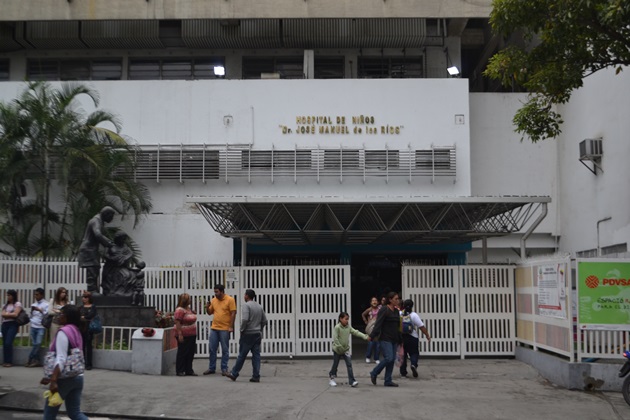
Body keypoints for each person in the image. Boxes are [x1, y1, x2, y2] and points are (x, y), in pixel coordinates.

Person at [40, 304, 88, 420]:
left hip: (63, 379)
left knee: (49, 415)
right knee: (75, 413)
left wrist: (53, 380)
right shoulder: (76, 330)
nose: (59, 316)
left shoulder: (63, 332)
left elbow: (61, 358)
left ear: (67, 317)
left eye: (61, 314)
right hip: (77, 377)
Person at [225, 289, 267, 382]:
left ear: (247, 296)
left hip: (248, 334)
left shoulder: (246, 306)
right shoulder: (259, 306)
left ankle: (234, 373)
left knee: (242, 355)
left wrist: (242, 329)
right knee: (256, 355)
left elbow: (245, 319)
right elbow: (264, 321)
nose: (244, 296)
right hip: (257, 334)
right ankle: (256, 376)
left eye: (244, 295)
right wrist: (260, 329)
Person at [77, 206, 116, 294]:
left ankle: (94, 290)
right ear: (106, 214)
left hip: (91, 249)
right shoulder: (96, 220)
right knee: (92, 270)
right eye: (111, 216)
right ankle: (92, 290)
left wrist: (109, 242)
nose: (112, 219)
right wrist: (108, 244)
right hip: (88, 249)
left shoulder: (99, 220)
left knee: (95, 269)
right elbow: (98, 234)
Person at [368, 291, 402, 387]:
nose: (397, 300)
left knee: (391, 360)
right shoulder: (384, 309)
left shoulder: (396, 311)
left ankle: (388, 380)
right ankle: (374, 373)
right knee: (389, 358)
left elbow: (397, 326)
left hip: (394, 339)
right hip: (385, 338)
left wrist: (400, 339)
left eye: (398, 299)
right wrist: (372, 335)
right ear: (390, 300)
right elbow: (378, 323)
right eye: (395, 299)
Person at [328, 311, 370, 387]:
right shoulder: (337, 327)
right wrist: (340, 347)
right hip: (337, 350)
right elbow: (336, 339)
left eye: (348, 319)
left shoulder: (348, 327)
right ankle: (332, 378)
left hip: (345, 350)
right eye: (345, 319)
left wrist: (365, 337)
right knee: (335, 365)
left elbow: (356, 332)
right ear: (340, 319)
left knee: (349, 365)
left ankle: (352, 381)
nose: (347, 321)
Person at [203, 284, 236, 376]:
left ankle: (224, 368)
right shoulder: (214, 300)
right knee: (212, 349)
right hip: (214, 328)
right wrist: (207, 307)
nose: (215, 293)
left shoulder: (230, 299)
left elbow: (233, 313)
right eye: (215, 292)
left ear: (222, 291)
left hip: (224, 329)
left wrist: (231, 326)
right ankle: (211, 368)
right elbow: (210, 313)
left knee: (225, 349)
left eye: (217, 292)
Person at [399, 299, 431, 378]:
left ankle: (403, 373)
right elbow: (421, 327)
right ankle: (413, 364)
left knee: (403, 355)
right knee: (414, 353)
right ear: (412, 306)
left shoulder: (399, 314)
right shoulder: (414, 315)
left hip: (401, 337)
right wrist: (427, 335)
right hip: (412, 337)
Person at [174, 293, 198, 376]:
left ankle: (189, 370)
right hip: (184, 334)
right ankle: (180, 370)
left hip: (192, 334)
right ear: (185, 301)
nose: (190, 300)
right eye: (189, 299)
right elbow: (177, 322)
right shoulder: (179, 310)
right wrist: (180, 334)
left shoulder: (188, 309)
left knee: (190, 352)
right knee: (182, 352)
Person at [26, 288, 49, 367]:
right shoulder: (34, 304)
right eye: (35, 294)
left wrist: (40, 310)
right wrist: (32, 312)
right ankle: (37, 361)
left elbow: (47, 315)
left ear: (42, 295)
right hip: (33, 325)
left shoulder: (46, 304)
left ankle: (30, 358)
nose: (36, 296)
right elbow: (31, 315)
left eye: (37, 294)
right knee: (35, 344)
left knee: (38, 343)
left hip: (41, 326)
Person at [1, 290, 23, 367]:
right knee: (4, 343)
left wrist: (7, 314)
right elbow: (2, 314)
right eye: (7, 295)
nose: (8, 297)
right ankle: (5, 361)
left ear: (13, 296)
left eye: (10, 295)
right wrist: (9, 314)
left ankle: (9, 361)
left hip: (13, 324)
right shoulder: (5, 305)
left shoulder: (17, 304)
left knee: (8, 342)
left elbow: (15, 314)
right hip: (5, 324)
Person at [79, 292, 97, 370]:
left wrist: (84, 317)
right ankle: (82, 362)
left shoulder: (93, 306)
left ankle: (89, 364)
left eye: (86, 297)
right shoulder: (81, 307)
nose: (84, 299)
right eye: (83, 297)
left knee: (89, 346)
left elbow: (91, 315)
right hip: (81, 328)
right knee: (81, 346)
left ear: (89, 298)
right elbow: (78, 315)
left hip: (89, 328)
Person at [362, 296, 381, 364]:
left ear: (378, 302)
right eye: (373, 300)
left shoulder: (380, 309)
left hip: (378, 328)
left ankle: (376, 358)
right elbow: (363, 314)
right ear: (370, 302)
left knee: (378, 344)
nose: (374, 302)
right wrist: (366, 321)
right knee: (371, 343)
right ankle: (368, 357)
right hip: (371, 328)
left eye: (375, 300)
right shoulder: (369, 309)